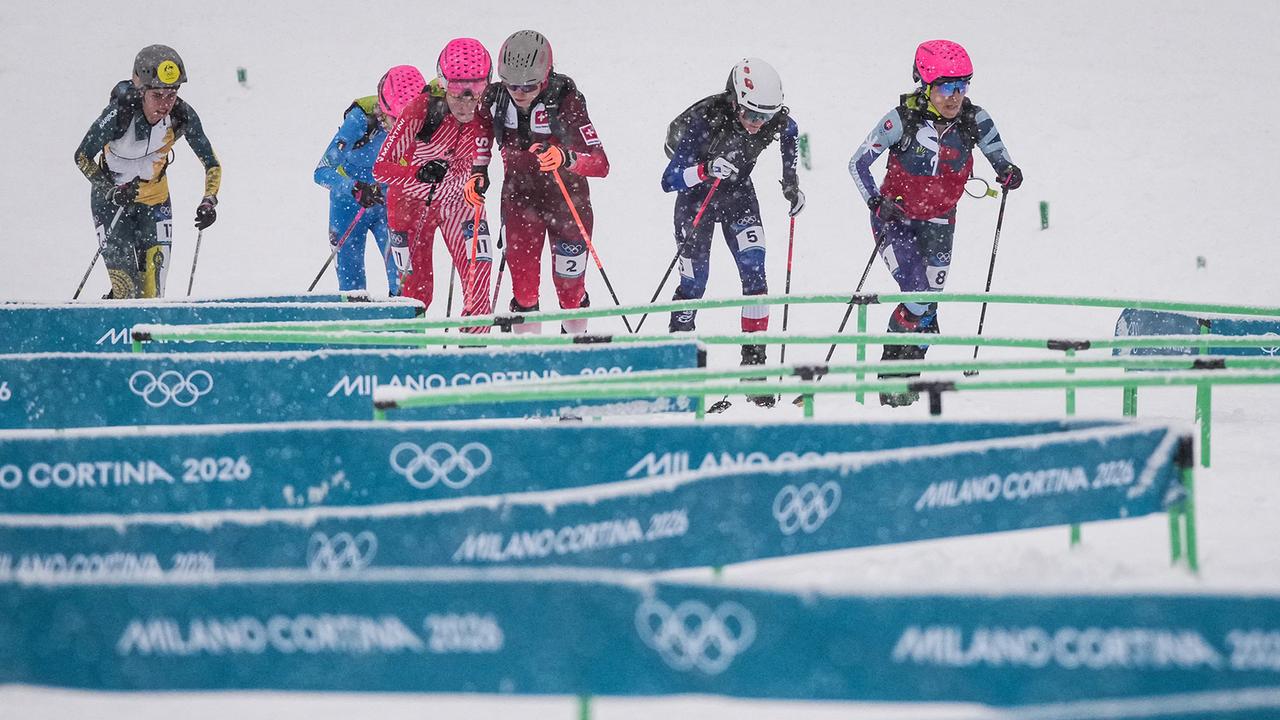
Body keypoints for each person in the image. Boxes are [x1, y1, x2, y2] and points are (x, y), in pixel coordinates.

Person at [848, 39, 1022, 406]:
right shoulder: (901, 120)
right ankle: (890, 381)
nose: (954, 96)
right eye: (945, 87)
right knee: (917, 296)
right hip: (896, 221)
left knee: (928, 309)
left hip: (941, 221)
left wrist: (1008, 172)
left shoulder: (975, 120)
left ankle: (908, 384)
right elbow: (858, 163)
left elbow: (999, 157)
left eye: (962, 86)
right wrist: (876, 202)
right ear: (925, 86)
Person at [661, 57, 803, 407]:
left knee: (756, 274)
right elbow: (669, 179)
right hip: (696, 199)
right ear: (735, 100)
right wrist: (706, 169)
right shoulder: (705, 119)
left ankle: (753, 369)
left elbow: (790, 133)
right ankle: (681, 366)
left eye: (765, 116)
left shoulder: (773, 120)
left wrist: (791, 183)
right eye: (751, 114)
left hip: (738, 196)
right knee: (695, 284)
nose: (757, 124)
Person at [483, 30, 610, 334]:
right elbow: (472, 138)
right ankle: (529, 355)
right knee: (524, 292)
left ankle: (574, 347)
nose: (519, 93)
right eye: (511, 84)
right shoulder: (495, 99)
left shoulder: (564, 100)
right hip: (518, 202)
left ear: (545, 77)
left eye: (529, 85)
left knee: (570, 292)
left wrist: (565, 157)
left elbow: (600, 163)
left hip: (567, 204)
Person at [74, 45, 221, 299]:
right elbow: (82, 156)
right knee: (126, 289)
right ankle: (115, 311)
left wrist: (209, 200)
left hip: (155, 202)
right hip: (112, 204)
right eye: (157, 95)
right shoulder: (119, 114)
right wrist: (110, 191)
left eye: (172, 94)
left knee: (153, 293)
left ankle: (138, 321)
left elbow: (211, 163)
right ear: (141, 91)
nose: (165, 104)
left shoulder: (182, 115)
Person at [374, 39, 494, 332]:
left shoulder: (488, 109)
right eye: (457, 92)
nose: (466, 103)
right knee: (417, 294)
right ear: (443, 85)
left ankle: (475, 352)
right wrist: (419, 172)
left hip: (459, 201)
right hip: (410, 205)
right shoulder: (422, 109)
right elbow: (381, 169)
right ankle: (409, 352)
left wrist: (481, 175)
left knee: (479, 283)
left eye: (476, 91)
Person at [313, 67, 424, 296]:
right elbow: (322, 171)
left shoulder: (420, 121)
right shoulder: (361, 119)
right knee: (352, 288)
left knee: (403, 283)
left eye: (408, 122)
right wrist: (353, 188)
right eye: (395, 120)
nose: (401, 129)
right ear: (383, 109)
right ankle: (356, 318)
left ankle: (402, 319)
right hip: (349, 205)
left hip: (388, 203)